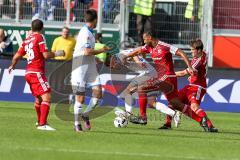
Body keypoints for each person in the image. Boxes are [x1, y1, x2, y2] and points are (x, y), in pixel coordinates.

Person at [124, 31, 218, 132]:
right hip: (168, 78)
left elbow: (181, 52)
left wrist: (189, 67)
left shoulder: (164, 46)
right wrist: (126, 56)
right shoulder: (148, 47)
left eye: (145, 39)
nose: (144, 41)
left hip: (167, 77)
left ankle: (143, 118)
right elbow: (138, 51)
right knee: (175, 103)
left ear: (150, 38)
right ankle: (201, 120)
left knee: (142, 88)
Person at [8, 19, 65, 131]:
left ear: (32, 28)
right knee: (47, 97)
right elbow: (45, 55)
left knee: (39, 99)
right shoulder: (40, 37)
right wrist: (58, 53)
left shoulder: (26, 40)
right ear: (42, 28)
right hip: (36, 71)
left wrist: (12, 66)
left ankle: (40, 121)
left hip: (28, 72)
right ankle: (42, 124)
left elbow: (16, 57)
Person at [112, 49, 181, 127]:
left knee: (128, 91)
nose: (113, 68)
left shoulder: (120, 55)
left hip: (147, 74)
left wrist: (137, 61)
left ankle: (129, 113)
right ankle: (174, 114)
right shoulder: (121, 60)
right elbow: (134, 54)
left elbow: (134, 54)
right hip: (152, 73)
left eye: (111, 66)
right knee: (151, 103)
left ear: (113, 61)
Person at [71, 9, 111, 132]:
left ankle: (86, 114)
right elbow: (87, 51)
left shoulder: (90, 32)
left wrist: (97, 59)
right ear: (95, 20)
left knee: (98, 93)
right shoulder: (85, 33)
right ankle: (77, 124)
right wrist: (102, 50)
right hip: (79, 67)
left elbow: (88, 52)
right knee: (80, 98)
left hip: (90, 65)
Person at [172, 39, 216, 131]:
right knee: (174, 102)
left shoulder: (198, 61)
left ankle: (210, 126)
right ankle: (168, 123)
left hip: (198, 87)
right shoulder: (201, 54)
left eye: (193, 50)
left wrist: (168, 74)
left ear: (199, 50)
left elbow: (183, 73)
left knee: (194, 107)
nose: (191, 51)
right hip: (192, 85)